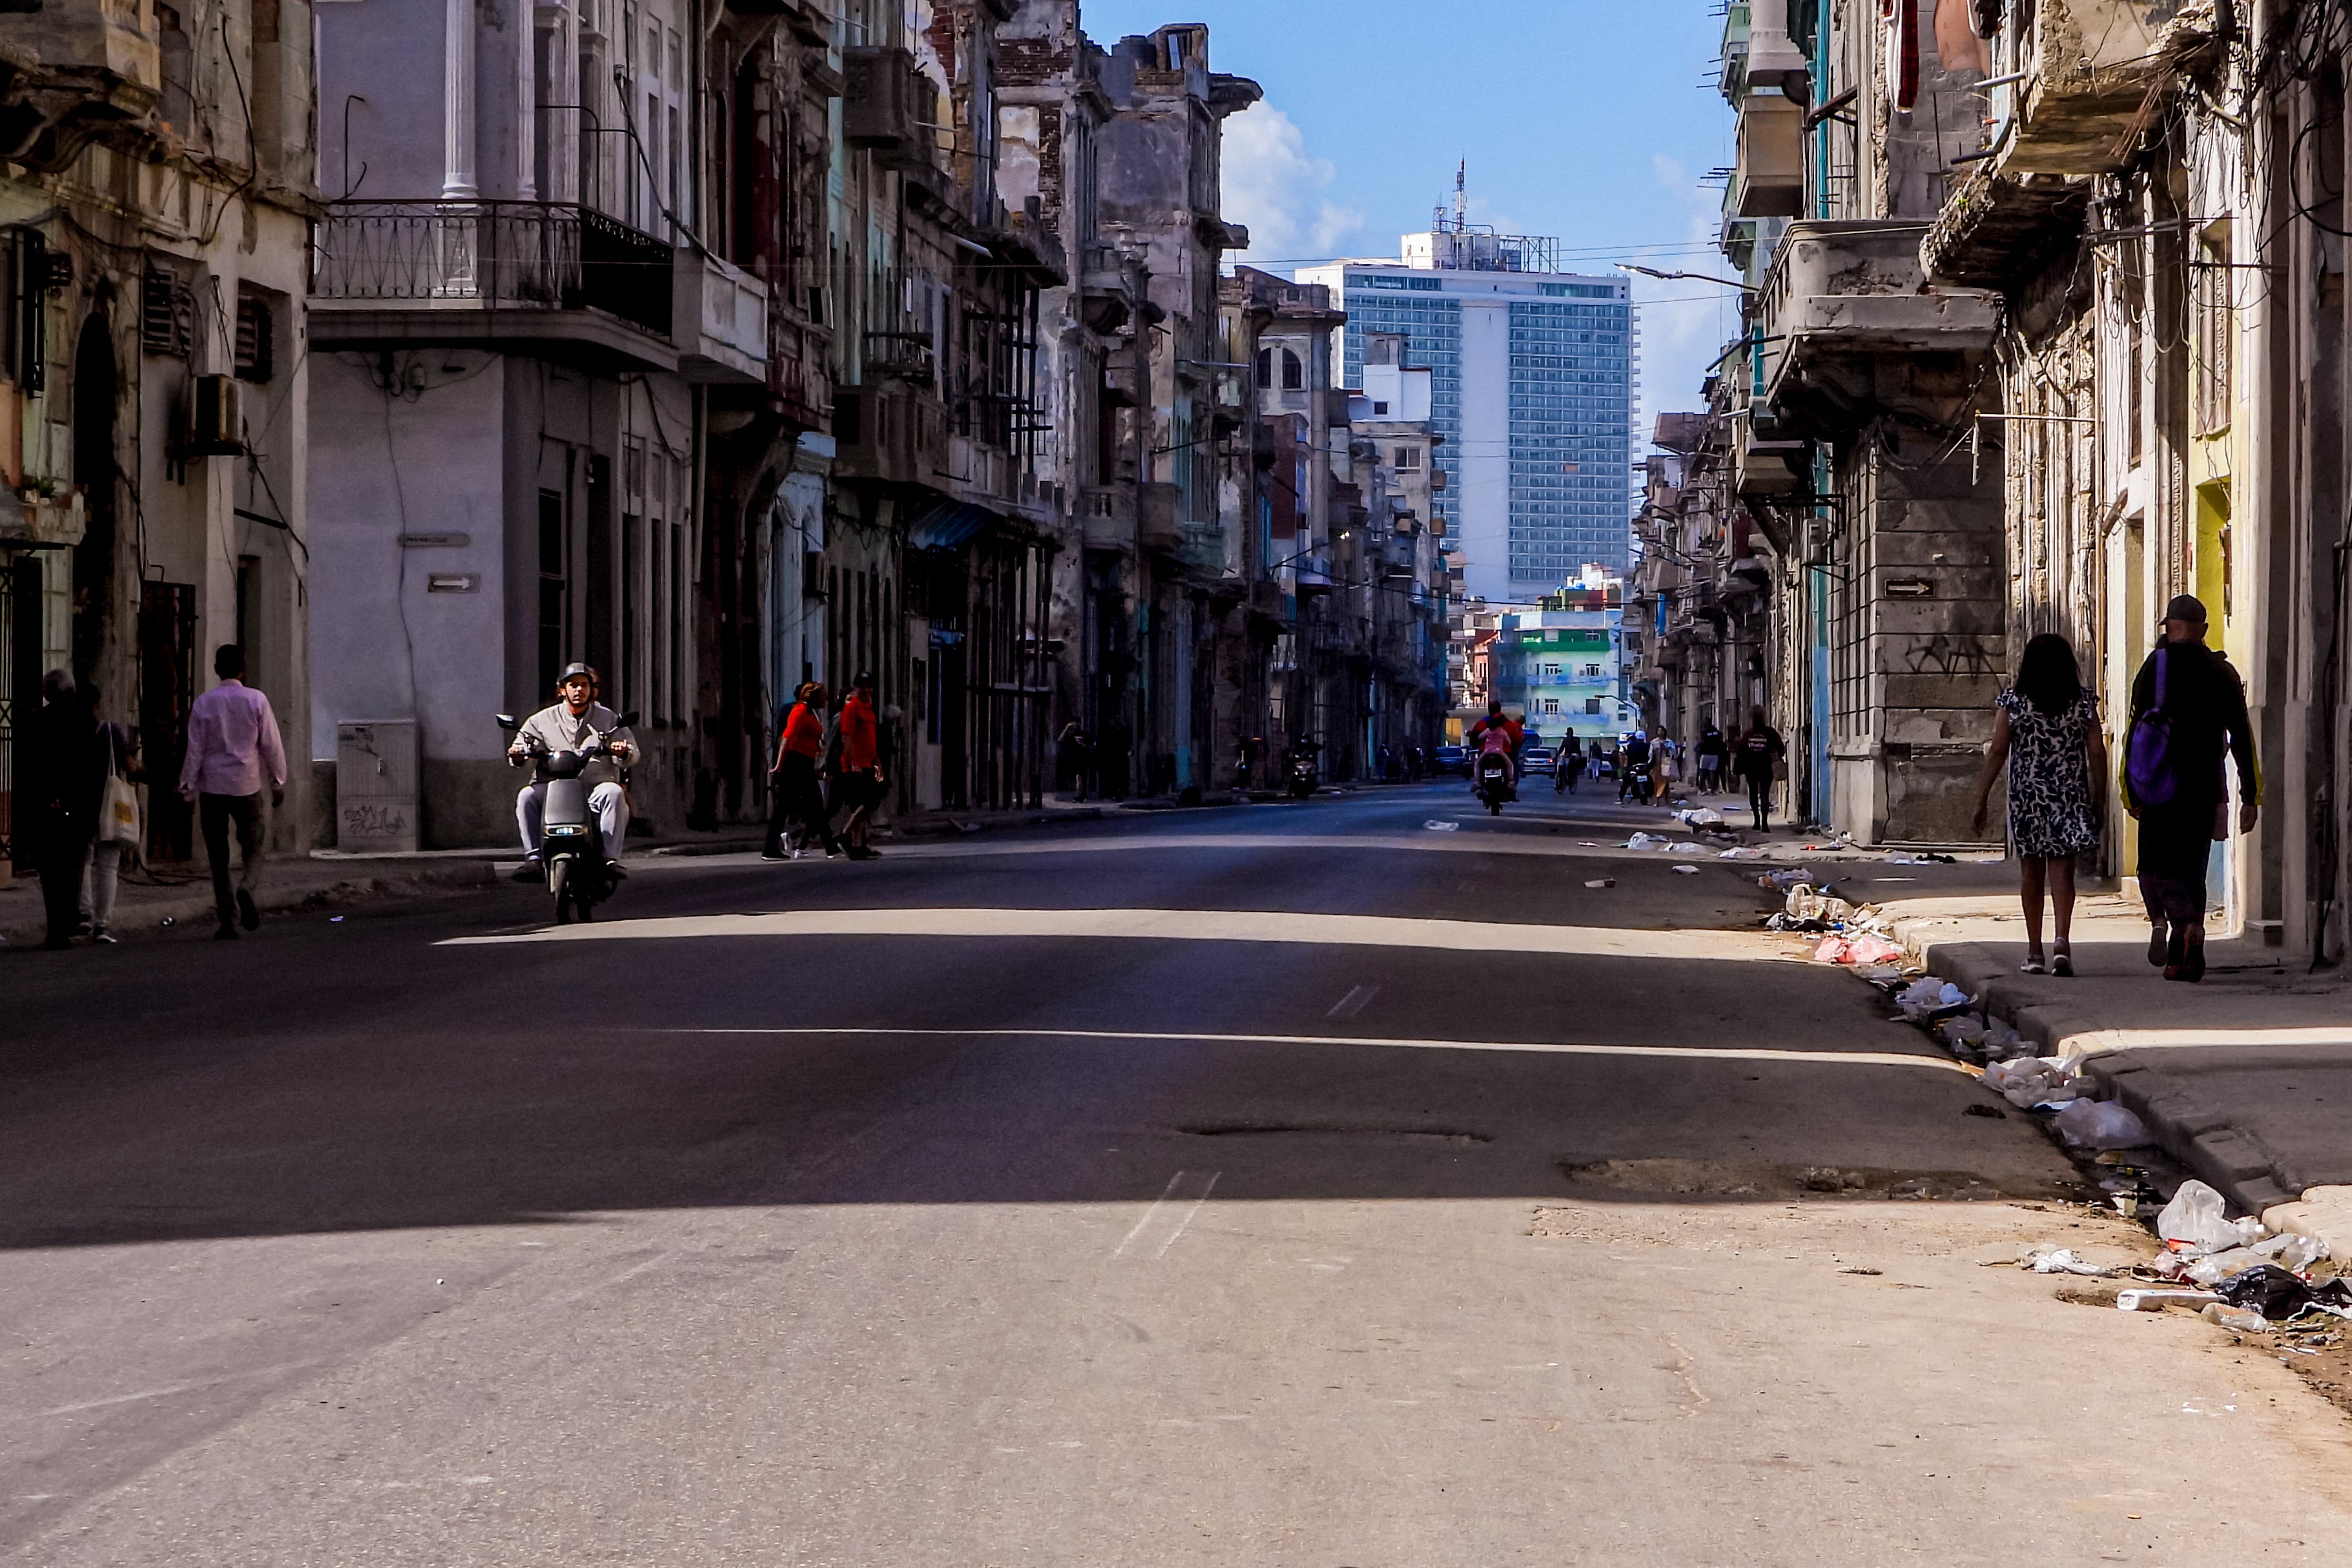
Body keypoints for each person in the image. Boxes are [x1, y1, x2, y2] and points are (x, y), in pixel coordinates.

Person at [2124, 595, 2258, 983]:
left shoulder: (2155, 667)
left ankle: (2174, 924)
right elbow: (2242, 737)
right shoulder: (2221, 672)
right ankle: (2189, 949)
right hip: (2205, 788)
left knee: (2153, 865)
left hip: (2159, 785)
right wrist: (2251, 796)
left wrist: (2130, 790)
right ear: (2203, 630)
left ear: (2169, 626)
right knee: (2192, 867)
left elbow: (2137, 733)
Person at [1966, 634, 2107, 977]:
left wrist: (1981, 798)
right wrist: (2098, 797)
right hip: (2069, 796)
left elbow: (1998, 751)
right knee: (2063, 870)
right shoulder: (2082, 703)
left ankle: (2034, 951)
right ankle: (2061, 941)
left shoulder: (2014, 703)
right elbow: (2096, 753)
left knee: (2031, 871)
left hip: (2028, 798)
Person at [180, 645, 287, 940]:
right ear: (244, 669)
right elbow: (271, 746)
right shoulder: (257, 700)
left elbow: (195, 751)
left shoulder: (203, 704)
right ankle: (247, 887)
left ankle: (227, 921)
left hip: (213, 787)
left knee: (218, 855)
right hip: (247, 785)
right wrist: (277, 783)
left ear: (217, 670)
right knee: (254, 846)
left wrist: (188, 789)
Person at [509, 662, 634, 880]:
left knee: (613, 793)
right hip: (551, 790)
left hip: (594, 788)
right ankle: (534, 859)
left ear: (591, 689)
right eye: (573, 685)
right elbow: (523, 748)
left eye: (584, 685)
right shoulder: (540, 720)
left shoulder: (609, 719)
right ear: (562, 690)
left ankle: (609, 859)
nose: (579, 690)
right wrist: (519, 753)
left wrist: (622, 751)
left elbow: (631, 754)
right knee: (526, 795)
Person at [19, 669, 104, 950]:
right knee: (73, 868)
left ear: (46, 693)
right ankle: (67, 921)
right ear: (72, 692)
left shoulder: (35, 722)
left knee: (50, 871)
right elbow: (94, 770)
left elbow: (29, 770)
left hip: (45, 808)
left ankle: (56, 927)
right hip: (77, 808)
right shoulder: (85, 722)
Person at [78, 684, 141, 945]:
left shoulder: (70, 731)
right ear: (97, 705)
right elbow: (130, 765)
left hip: (81, 805)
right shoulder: (110, 730)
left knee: (82, 861)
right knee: (108, 866)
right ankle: (102, 925)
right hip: (110, 806)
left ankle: (83, 913)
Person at [765, 682, 842, 860]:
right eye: (823, 695)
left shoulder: (811, 713)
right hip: (795, 765)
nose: (826, 699)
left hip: (805, 764)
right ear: (813, 696)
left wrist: (815, 762)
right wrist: (779, 764)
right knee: (784, 808)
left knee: (815, 806)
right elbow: (787, 737)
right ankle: (770, 849)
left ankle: (830, 847)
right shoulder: (800, 711)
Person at [831, 671, 885, 860]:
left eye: (869, 686)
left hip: (868, 763)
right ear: (856, 688)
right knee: (870, 802)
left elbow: (870, 738)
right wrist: (853, 763)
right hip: (855, 765)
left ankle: (857, 844)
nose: (866, 690)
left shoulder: (868, 708)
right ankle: (845, 835)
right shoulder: (852, 708)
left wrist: (877, 761)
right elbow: (846, 737)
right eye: (862, 686)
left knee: (863, 804)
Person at [1732, 707, 1785, 832]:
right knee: (1765, 794)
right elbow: (1781, 749)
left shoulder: (1748, 734)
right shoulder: (1771, 733)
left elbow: (1741, 751)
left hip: (1751, 769)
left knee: (1753, 794)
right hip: (1767, 768)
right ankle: (1765, 823)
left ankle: (1756, 821)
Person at [1466, 701, 1522, 796]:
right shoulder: (1508, 725)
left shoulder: (1482, 724)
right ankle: (1511, 783)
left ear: (1489, 710)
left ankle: (1477, 783)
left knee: (1478, 764)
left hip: (1486, 751)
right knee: (1512, 765)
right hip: (1504, 752)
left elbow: (1476, 737)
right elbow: (1515, 740)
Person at [1697, 724, 1726, 794]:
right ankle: (1713, 790)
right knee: (1713, 772)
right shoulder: (1717, 732)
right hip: (1715, 754)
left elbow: (1701, 741)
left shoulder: (1704, 732)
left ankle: (1702, 788)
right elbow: (1720, 740)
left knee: (1703, 771)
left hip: (1705, 753)